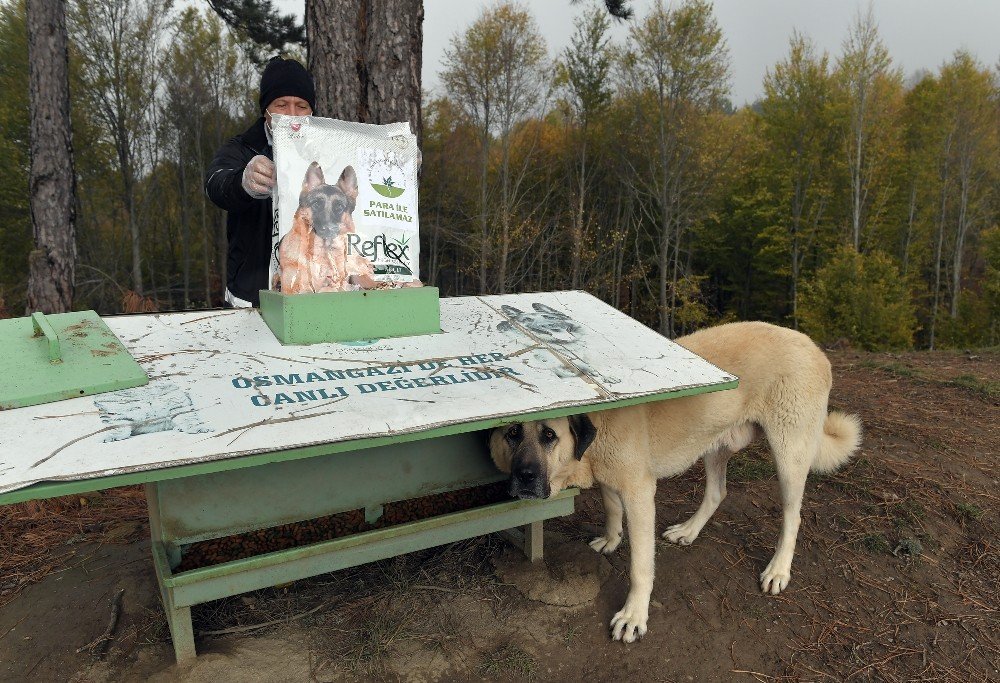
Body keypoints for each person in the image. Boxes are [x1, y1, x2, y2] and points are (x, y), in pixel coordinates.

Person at [204, 56, 315, 307]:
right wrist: (243, 181)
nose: (292, 115)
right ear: (266, 110)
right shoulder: (243, 147)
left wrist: (399, 164)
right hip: (251, 296)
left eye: (301, 105)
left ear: (312, 111)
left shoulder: (327, 152)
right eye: (281, 104)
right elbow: (215, 184)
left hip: (311, 292)